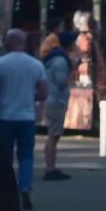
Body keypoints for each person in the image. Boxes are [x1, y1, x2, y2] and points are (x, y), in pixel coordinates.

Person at [0, 28, 48, 211]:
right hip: (26, 116)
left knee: (6, 156)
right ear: (23, 42)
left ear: (8, 43)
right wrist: (28, 94)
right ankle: (25, 187)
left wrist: (3, 92)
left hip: (5, 116)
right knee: (26, 155)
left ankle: (7, 193)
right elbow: (43, 93)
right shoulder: (36, 65)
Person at [39, 31, 73, 182]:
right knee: (54, 134)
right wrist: (73, 72)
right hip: (56, 101)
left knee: (55, 134)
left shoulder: (55, 58)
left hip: (54, 100)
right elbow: (61, 81)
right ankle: (50, 167)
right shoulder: (60, 61)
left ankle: (52, 166)